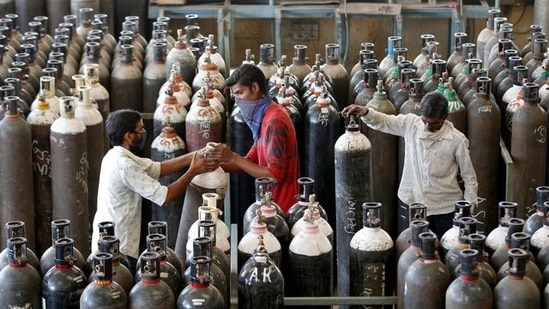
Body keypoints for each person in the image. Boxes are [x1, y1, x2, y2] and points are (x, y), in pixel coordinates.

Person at [91, 109, 217, 272]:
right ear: (128, 136)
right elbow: (165, 196)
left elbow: (158, 168)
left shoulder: (115, 155)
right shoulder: (124, 165)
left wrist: (195, 155)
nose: (144, 133)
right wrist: (193, 171)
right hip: (119, 245)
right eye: (140, 130)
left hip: (112, 238)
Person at [342, 91, 478, 239]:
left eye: (433, 123)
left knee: (444, 252)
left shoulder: (457, 140)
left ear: (444, 118)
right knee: (412, 251)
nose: (426, 126)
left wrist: (467, 210)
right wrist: (366, 112)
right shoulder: (411, 124)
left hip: (445, 209)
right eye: (424, 120)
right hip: (414, 204)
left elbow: (469, 177)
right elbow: (385, 121)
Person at [207, 63, 300, 213]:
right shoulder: (264, 117)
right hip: (267, 203)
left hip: (281, 208)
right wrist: (214, 165)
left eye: (240, 93)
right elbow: (250, 161)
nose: (237, 100)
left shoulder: (274, 122)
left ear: (255, 88)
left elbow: (273, 176)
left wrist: (232, 157)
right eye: (235, 95)